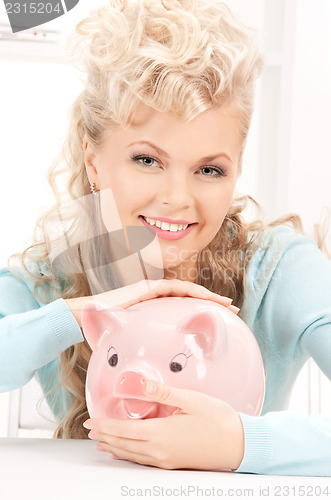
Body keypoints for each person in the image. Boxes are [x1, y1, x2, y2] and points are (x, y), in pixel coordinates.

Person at [1, 0, 331, 476]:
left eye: (209, 169)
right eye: (147, 159)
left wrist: (242, 444)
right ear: (94, 161)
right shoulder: (49, 280)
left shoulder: (279, 271)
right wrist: (73, 317)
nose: (177, 198)